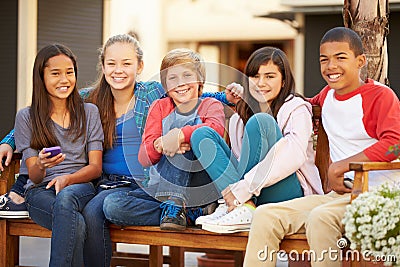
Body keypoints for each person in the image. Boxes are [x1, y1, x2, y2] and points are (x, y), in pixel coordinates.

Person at [243, 27, 400, 267]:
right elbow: (301, 106)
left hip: (375, 195)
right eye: (324, 59)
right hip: (339, 196)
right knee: (265, 215)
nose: (331, 66)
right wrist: (240, 96)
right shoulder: (327, 96)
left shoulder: (380, 96)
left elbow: (394, 144)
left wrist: (340, 167)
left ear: (360, 61)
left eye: (340, 58)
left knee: (321, 218)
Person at [190, 46, 323, 233]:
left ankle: (241, 204)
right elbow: (240, 164)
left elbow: (294, 155)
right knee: (201, 135)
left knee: (261, 122)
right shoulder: (238, 117)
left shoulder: (296, 108)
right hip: (251, 193)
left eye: (270, 76)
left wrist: (243, 189)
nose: (261, 83)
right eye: (255, 76)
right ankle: (244, 208)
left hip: (289, 193)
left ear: (284, 80)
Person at [14, 44, 104, 266]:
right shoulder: (26, 117)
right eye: (55, 73)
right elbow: (34, 177)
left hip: (80, 187)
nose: (64, 79)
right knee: (78, 223)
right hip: (40, 192)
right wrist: (42, 165)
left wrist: (68, 179)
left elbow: (95, 167)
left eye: (69, 72)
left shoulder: (89, 112)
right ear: (41, 77)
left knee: (66, 198)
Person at [138, 48, 225, 230]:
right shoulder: (159, 107)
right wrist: (160, 144)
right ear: (165, 84)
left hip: (201, 184)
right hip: (161, 187)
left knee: (182, 141)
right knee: (113, 207)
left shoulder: (210, 105)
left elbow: (216, 130)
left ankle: (176, 207)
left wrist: (179, 136)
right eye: (173, 78)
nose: (180, 83)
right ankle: (188, 213)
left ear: (199, 80)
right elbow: (144, 158)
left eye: (187, 76)